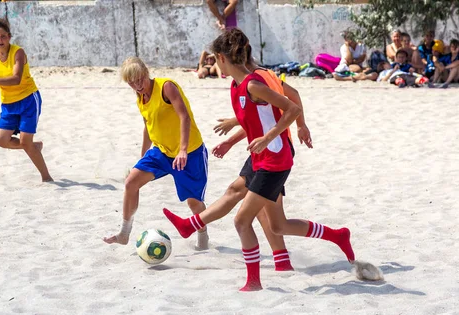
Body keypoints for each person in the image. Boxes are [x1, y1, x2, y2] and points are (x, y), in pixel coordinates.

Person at [164, 29, 354, 291]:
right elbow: (253, 118)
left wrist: (271, 136)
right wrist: (232, 137)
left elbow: (292, 107)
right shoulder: (235, 85)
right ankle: (337, 236)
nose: (213, 64)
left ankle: (253, 281)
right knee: (277, 223)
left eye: (214, 59)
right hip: (260, 157)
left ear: (221, 57)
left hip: (275, 160)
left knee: (242, 220)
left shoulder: (254, 84)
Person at [197, 44, 313, 272]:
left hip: (275, 150)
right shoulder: (255, 78)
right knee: (267, 215)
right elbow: (259, 114)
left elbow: (283, 108)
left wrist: (298, 125)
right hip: (266, 149)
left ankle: (193, 224)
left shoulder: (257, 79)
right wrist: (233, 126)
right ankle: (282, 260)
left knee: (249, 211)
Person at [103, 57, 209, 250]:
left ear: (146, 72)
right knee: (131, 182)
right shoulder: (140, 97)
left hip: (190, 152)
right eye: (131, 83)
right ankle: (124, 233)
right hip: (161, 151)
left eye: (139, 79)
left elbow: (184, 117)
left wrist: (183, 150)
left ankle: (203, 235)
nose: (137, 85)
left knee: (194, 202)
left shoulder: (166, 87)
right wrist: (143, 156)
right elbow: (147, 127)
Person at [0, 18, 53, 182]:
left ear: (9, 37)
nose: (0, 40)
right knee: (1, 140)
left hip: (28, 100)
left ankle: (47, 178)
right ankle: (34, 146)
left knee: (25, 141)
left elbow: (16, 79)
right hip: (8, 103)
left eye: (3, 36)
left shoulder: (18, 53)